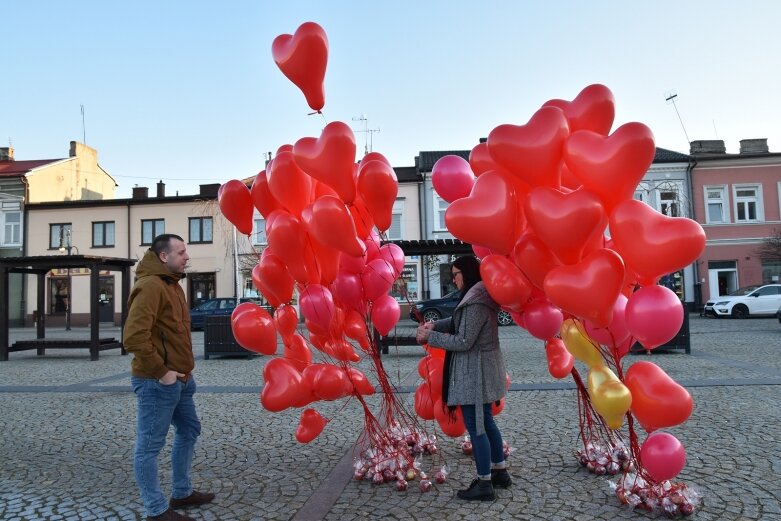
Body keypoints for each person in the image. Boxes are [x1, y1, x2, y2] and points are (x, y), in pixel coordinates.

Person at [125, 234, 214, 521]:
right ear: (164, 256)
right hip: (157, 382)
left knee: (189, 430)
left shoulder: (172, 285)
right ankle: (156, 510)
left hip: (182, 381)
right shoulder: (151, 286)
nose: (187, 256)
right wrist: (162, 373)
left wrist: (181, 375)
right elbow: (133, 337)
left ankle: (182, 492)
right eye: (181, 252)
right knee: (149, 447)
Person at [416, 255, 511, 501]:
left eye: (456, 273)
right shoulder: (476, 296)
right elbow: (459, 322)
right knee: (487, 422)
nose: (453, 278)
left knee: (477, 426)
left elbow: (463, 340)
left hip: (475, 373)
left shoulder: (476, 302)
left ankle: (484, 484)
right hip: (480, 369)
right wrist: (434, 326)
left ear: (467, 274)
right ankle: (500, 471)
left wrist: (430, 338)